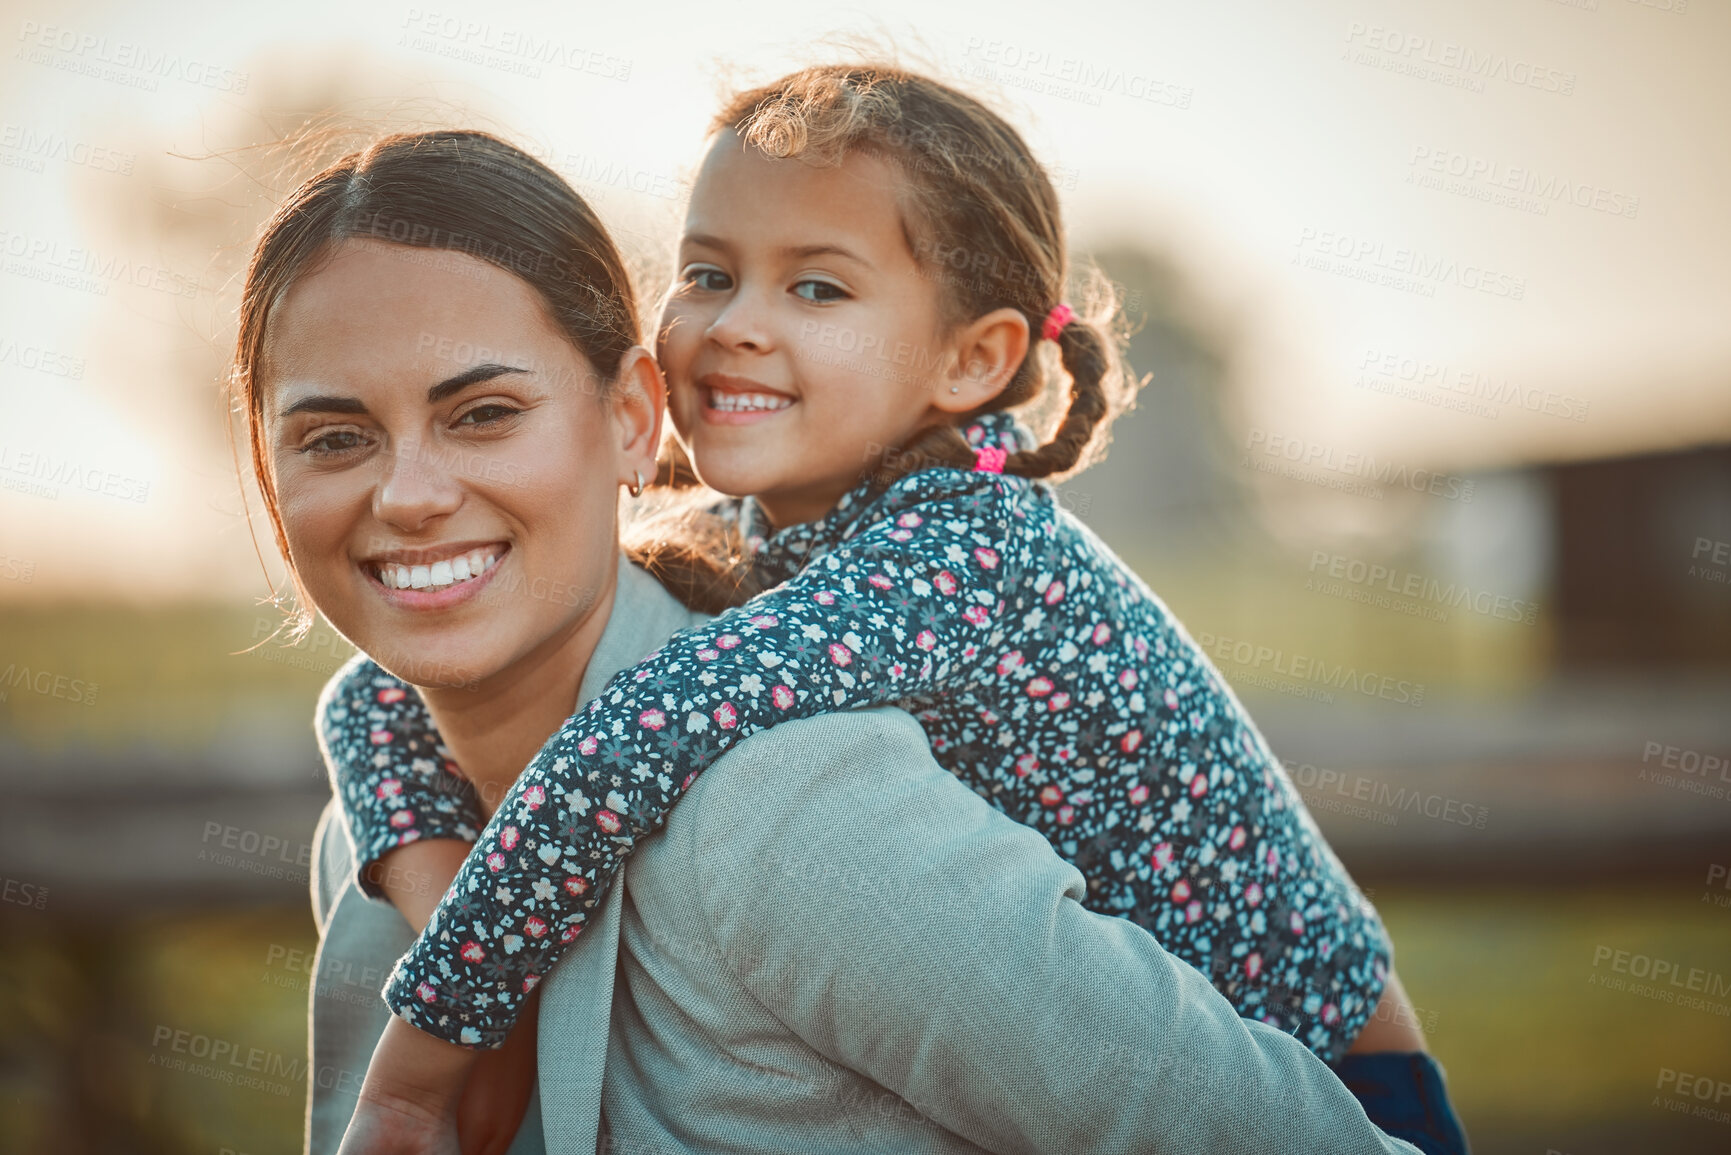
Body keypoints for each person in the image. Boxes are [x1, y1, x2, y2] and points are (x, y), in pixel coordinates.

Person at [318, 68, 1468, 1153]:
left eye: (816, 286)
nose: (733, 324)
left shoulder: (963, 549)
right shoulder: (780, 525)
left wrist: (420, 1072)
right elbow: (379, 687)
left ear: (972, 361)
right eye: (709, 273)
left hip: (1323, 1078)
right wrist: (429, 880)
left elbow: (627, 740)